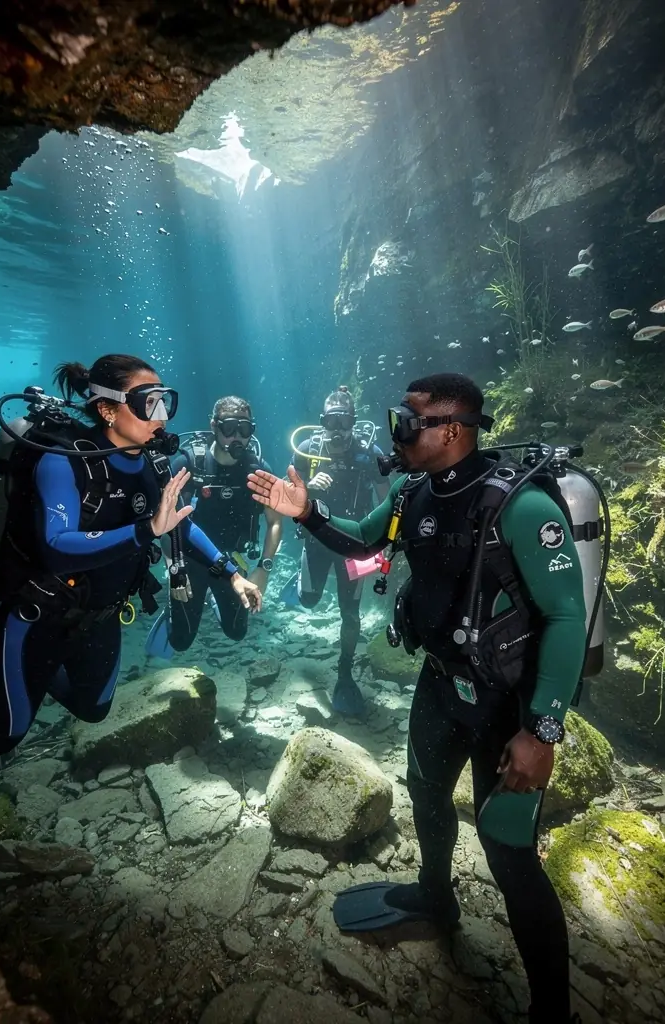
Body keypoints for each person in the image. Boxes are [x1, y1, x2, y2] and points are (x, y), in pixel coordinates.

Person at [247, 373, 586, 1024]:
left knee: (510, 853)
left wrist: (542, 732)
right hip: (439, 681)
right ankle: (437, 897)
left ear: (451, 431)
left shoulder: (522, 507)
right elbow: (361, 542)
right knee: (426, 793)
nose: (396, 432)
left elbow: (567, 618)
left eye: (408, 421)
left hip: (507, 704)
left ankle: (553, 1010)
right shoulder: (412, 493)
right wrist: (308, 513)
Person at [0, 354, 262, 757]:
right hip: (41, 613)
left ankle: (30, 675)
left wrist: (231, 574)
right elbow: (57, 546)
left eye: (164, 401)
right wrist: (146, 529)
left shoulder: (154, 465)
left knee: (93, 710)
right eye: (147, 403)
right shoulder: (64, 460)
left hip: (101, 615)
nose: (161, 416)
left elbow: (180, 524)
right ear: (107, 410)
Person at [146, 396, 283, 657]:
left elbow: (275, 521)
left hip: (235, 560)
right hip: (190, 561)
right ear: (214, 426)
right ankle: (173, 611)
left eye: (245, 430)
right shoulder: (187, 465)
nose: (237, 438)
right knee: (180, 642)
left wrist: (264, 568)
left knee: (237, 633)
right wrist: (173, 569)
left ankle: (212, 598)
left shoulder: (258, 470)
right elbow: (170, 525)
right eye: (229, 428)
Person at [289, 385, 387, 715]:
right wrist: (308, 489)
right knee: (309, 600)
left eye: (344, 422)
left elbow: (389, 500)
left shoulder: (368, 454)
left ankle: (345, 673)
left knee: (350, 612)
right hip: (316, 543)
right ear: (322, 422)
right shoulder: (306, 450)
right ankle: (299, 582)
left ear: (354, 422)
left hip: (354, 546)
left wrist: (385, 542)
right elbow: (287, 495)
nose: (338, 430)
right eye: (332, 422)